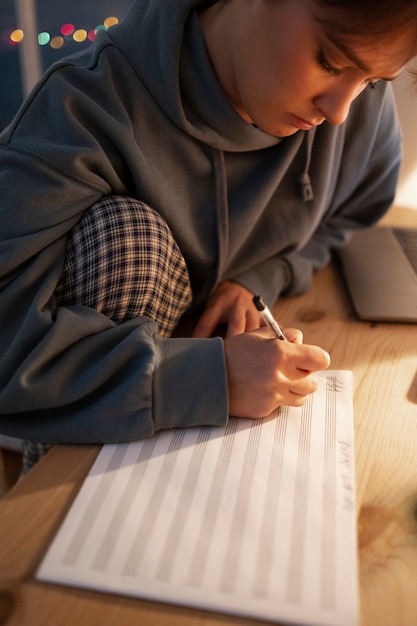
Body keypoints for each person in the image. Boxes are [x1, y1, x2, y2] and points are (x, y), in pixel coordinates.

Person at [1, 0, 417, 467]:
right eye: (329, 62)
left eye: (373, 80)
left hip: (212, 436)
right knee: (127, 238)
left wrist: (268, 273)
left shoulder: (356, 106)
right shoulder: (79, 113)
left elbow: (353, 213)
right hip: (95, 442)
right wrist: (212, 378)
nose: (341, 111)